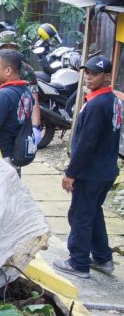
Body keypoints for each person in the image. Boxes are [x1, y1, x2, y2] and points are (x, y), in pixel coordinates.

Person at [53, 55, 122, 279]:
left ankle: (78, 262)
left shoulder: (97, 104)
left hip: (90, 172)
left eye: (95, 74)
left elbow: (86, 143)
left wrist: (70, 173)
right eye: (88, 73)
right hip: (106, 169)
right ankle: (103, 258)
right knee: (93, 213)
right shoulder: (112, 100)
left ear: (107, 76)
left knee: (80, 215)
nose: (89, 77)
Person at [0, 30, 42, 135]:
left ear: (17, 49)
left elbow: (34, 97)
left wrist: (35, 126)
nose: (8, 49)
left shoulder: (26, 69)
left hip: (12, 120)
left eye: (11, 47)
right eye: (4, 46)